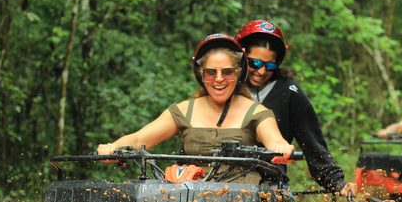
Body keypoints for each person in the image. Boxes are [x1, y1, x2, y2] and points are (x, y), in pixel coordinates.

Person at [97, 33, 294, 184]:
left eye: (227, 72)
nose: (218, 79)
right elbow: (139, 139)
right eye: (211, 72)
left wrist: (281, 148)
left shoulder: (257, 112)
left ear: (238, 74)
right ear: (201, 75)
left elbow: (274, 139)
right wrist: (112, 148)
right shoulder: (183, 111)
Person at [235, 20, 356, 196]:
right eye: (254, 63)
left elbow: (311, 141)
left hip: (270, 185)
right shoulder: (225, 85)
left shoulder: (287, 91)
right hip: (224, 180)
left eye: (270, 66)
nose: (261, 71)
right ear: (241, 56)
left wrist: (335, 181)